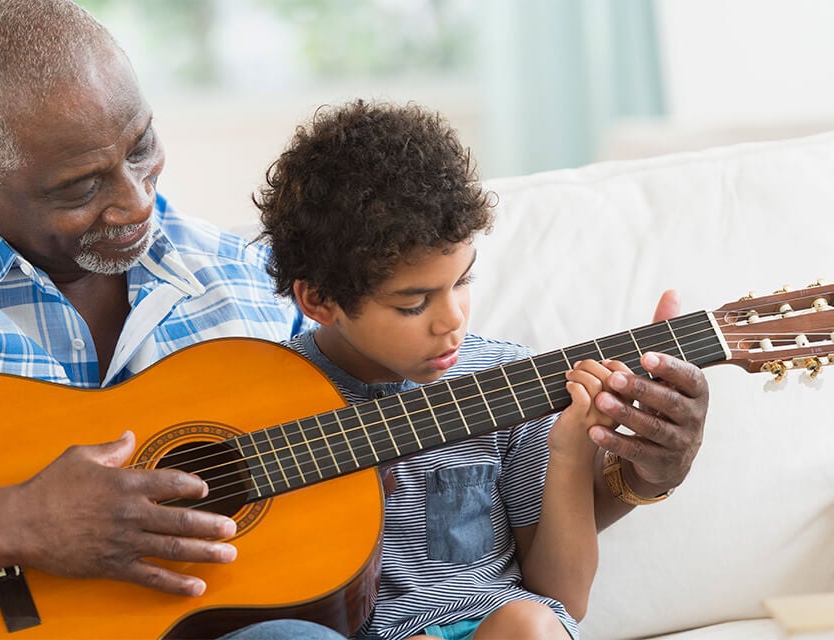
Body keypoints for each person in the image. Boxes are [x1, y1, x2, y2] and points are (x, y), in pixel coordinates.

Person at [0, 1, 709, 638]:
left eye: (141, 147)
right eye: (78, 184)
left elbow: (419, 489)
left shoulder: (225, 279)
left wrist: (623, 469)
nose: (134, 202)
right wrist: (19, 521)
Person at [254, 99, 666, 640]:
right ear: (320, 299)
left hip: (496, 625)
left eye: (463, 282)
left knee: (530, 623)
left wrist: (572, 449)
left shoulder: (506, 377)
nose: (452, 320)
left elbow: (564, 597)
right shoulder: (267, 395)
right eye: (413, 304)